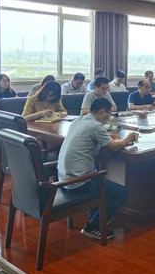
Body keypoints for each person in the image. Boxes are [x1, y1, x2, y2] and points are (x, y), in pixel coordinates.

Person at [57, 98, 137, 240]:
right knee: (122, 192)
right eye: (109, 114)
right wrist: (128, 139)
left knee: (99, 181)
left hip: (63, 178)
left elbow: (92, 139)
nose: (109, 118)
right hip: (79, 181)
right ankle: (93, 226)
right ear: (102, 111)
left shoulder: (78, 121)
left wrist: (107, 137)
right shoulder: (95, 126)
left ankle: (96, 218)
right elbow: (112, 148)